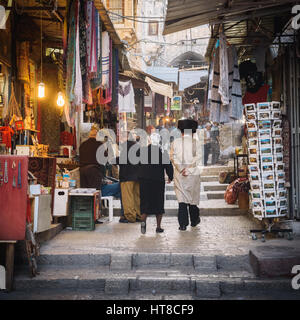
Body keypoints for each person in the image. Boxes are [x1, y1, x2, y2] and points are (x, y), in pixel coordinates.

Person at [138, 126, 173, 234]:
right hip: (157, 182)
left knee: (145, 204)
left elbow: (137, 165)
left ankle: (143, 226)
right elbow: (169, 167)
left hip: (144, 182)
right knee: (158, 204)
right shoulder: (162, 153)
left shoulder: (142, 152)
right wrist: (170, 177)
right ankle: (158, 227)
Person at [170, 119, 202, 231]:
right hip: (193, 175)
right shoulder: (196, 143)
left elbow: (173, 157)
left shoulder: (175, 143)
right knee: (192, 200)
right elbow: (198, 158)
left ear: (181, 131)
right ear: (193, 131)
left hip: (180, 175)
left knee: (182, 200)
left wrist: (181, 168)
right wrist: (188, 169)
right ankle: (194, 220)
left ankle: (183, 224)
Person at [116, 131, 141, 223]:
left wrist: (112, 160)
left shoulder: (125, 146)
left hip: (127, 176)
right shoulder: (137, 146)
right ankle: (138, 215)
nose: (119, 139)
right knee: (136, 197)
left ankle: (130, 216)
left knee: (128, 197)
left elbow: (122, 160)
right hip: (137, 176)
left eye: (120, 137)